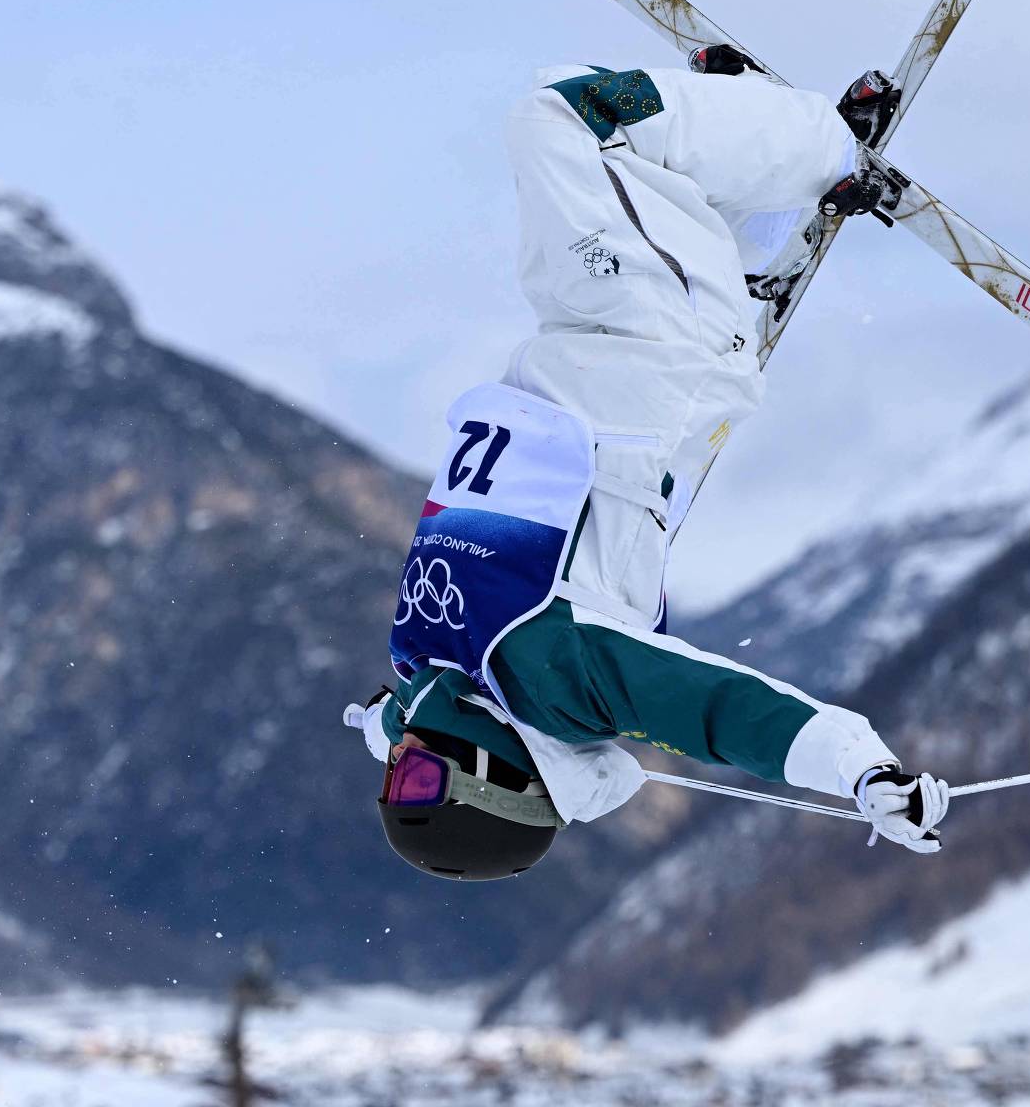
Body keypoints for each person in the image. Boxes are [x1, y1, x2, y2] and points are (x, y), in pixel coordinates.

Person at [345, 47, 949, 881]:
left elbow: (397, 716)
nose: (401, 756)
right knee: (569, 117)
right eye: (416, 777)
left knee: (625, 164)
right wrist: (857, 769)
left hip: (602, 340)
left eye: (391, 776)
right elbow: (718, 709)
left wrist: (381, 727)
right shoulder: (561, 677)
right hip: (654, 342)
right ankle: (824, 146)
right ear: (497, 780)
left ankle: (750, 190)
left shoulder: (435, 680)